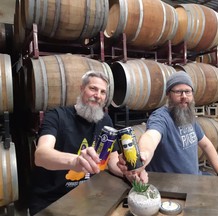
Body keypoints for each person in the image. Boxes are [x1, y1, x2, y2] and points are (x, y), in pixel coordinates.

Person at [29, 71, 148, 215]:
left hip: (87, 196)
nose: (98, 95)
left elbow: (112, 159)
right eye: (93, 89)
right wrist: (75, 161)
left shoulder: (105, 121)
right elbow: (41, 155)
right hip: (51, 199)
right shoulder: (57, 116)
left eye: (103, 92)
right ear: (81, 89)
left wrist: (128, 173)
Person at [118, 71, 218, 177]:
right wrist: (143, 154)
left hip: (194, 179)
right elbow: (151, 137)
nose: (184, 96)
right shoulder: (161, 117)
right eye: (178, 92)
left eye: (188, 91)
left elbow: (206, 145)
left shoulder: (188, 116)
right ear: (168, 94)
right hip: (171, 185)